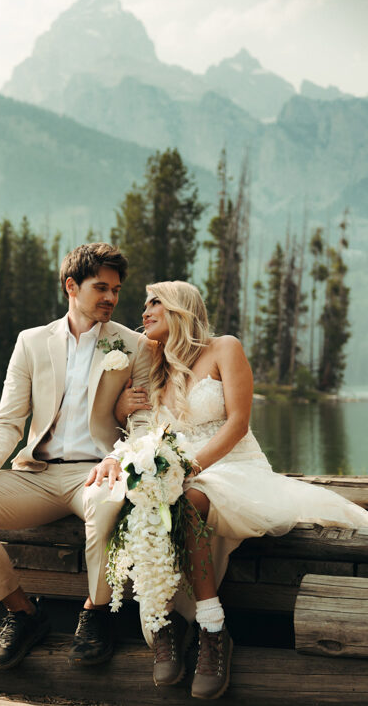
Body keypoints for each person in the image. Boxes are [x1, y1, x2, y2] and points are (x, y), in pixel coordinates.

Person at [110, 280, 368, 701]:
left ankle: (213, 629)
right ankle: (163, 625)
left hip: (230, 464)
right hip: (177, 467)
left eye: (154, 302)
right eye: (144, 304)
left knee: (187, 502)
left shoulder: (225, 348)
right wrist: (124, 409)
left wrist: (190, 468)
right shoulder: (151, 360)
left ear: (180, 308)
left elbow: (237, 424)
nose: (144, 311)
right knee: (140, 505)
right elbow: (136, 420)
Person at [0, 242, 153, 671]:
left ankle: (95, 613)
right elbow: (8, 421)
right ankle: (23, 614)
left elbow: (145, 423)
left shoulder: (134, 346)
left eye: (116, 289)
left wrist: (122, 456)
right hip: (36, 474)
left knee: (110, 505)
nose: (111, 297)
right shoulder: (31, 342)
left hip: (97, 472)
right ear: (72, 286)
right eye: (101, 288)